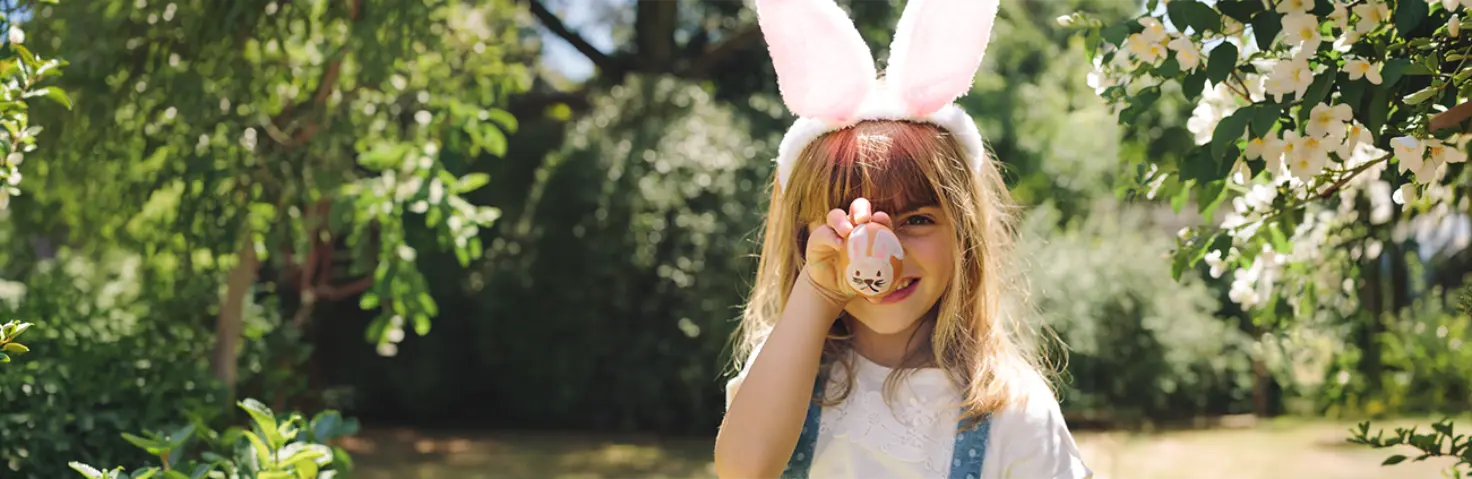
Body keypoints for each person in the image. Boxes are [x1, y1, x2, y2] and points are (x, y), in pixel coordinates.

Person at [713, 0, 1092, 478]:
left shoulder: (1012, 409)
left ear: (963, 234)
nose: (884, 253)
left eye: (916, 219)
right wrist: (818, 292)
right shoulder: (787, 372)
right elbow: (745, 470)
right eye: (851, 223)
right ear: (806, 239)